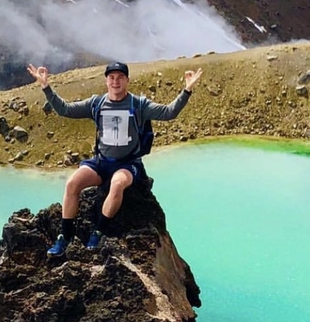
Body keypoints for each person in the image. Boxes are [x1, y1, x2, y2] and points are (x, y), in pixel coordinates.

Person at [27, 60, 203, 256]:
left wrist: (186, 90)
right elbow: (65, 109)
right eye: (111, 78)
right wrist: (45, 86)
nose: (115, 81)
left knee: (117, 184)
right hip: (101, 162)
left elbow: (169, 113)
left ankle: (98, 232)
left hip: (128, 164)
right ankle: (65, 237)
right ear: (106, 81)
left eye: (120, 78)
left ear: (127, 80)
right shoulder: (97, 103)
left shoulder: (139, 105)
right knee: (72, 184)